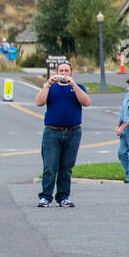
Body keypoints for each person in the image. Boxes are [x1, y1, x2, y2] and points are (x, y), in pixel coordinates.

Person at [34, 60, 91, 207]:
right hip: (52, 132)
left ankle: (63, 197)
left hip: (73, 132)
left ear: (71, 73)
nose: (63, 74)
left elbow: (86, 102)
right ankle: (45, 197)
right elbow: (39, 102)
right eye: (61, 71)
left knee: (66, 167)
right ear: (57, 73)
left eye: (66, 71)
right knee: (50, 166)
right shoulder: (51, 88)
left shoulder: (78, 87)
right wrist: (47, 85)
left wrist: (74, 85)